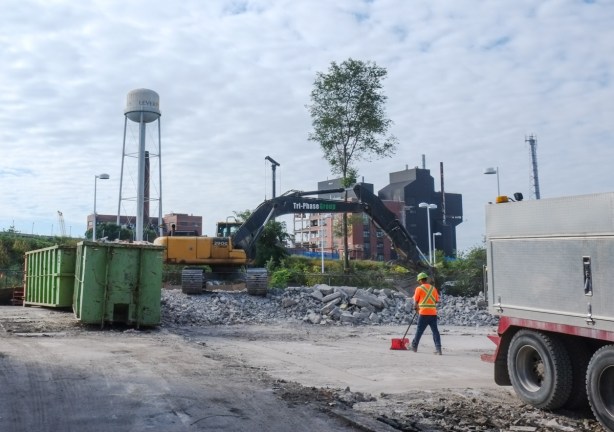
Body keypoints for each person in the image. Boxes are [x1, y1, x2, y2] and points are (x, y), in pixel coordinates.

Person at [411, 272, 442, 355]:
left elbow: (416, 301)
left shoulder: (419, 288)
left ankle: (414, 347)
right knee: (435, 331)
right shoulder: (433, 288)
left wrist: (415, 308)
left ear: (420, 280)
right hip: (433, 313)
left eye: (419, 281)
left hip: (423, 313)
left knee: (419, 330)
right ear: (426, 279)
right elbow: (436, 300)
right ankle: (438, 349)